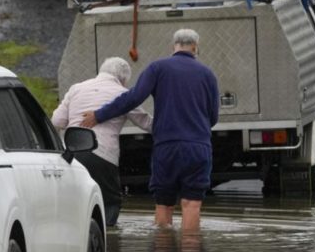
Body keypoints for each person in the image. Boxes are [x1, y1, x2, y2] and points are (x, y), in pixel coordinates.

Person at [81, 29, 219, 234]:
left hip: (167, 147)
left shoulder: (158, 68)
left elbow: (132, 98)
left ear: (174, 46)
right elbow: (213, 117)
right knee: (192, 205)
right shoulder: (207, 74)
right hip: (198, 148)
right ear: (195, 47)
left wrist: (99, 115)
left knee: (164, 204)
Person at [52, 57, 152, 227]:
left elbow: (57, 121)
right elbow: (147, 123)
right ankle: (109, 242)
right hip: (102, 155)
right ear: (123, 79)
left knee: (76, 200)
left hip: (71, 154)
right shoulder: (123, 94)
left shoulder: (76, 88)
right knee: (109, 201)